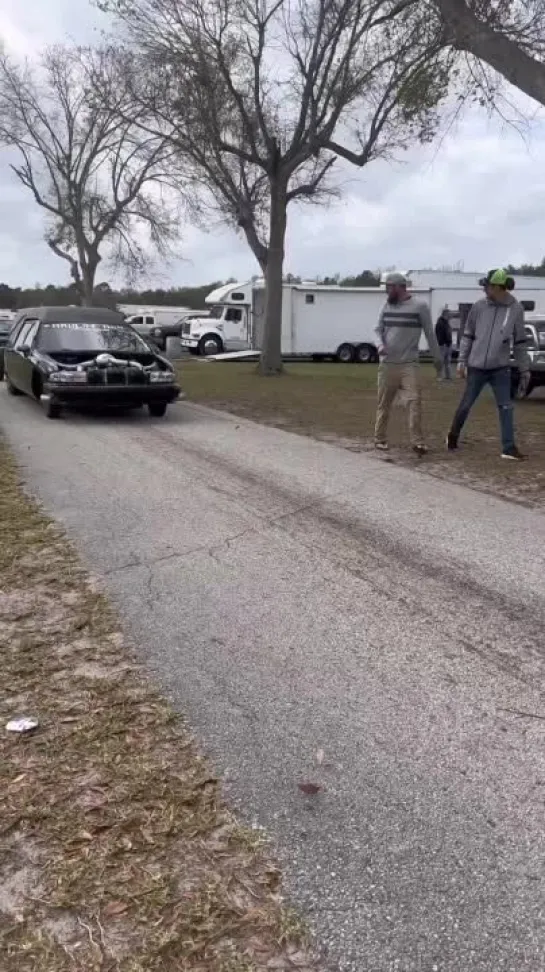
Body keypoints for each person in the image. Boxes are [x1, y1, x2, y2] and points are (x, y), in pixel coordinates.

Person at [446, 268, 531, 460]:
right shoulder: (478, 307)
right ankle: (453, 435)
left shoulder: (516, 309)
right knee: (466, 404)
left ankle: (508, 448)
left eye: (487, 286)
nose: (484, 289)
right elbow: (467, 335)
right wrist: (461, 361)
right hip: (476, 366)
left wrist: (524, 368)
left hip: (500, 367)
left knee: (506, 407)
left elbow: (519, 342)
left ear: (498, 287)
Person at [374, 272, 442, 456]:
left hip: (409, 364)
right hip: (388, 364)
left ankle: (417, 442)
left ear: (399, 287)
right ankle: (379, 438)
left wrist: (438, 359)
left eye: (389, 287)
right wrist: (380, 344)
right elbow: (377, 330)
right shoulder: (386, 305)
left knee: (414, 401)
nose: (387, 291)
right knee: (384, 403)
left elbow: (429, 333)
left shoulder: (419, 306)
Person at [435, 308, 453, 379]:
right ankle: (439, 376)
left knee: (448, 361)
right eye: (449, 314)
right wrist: (442, 343)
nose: (450, 315)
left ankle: (448, 376)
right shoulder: (440, 323)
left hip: (448, 344)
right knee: (441, 361)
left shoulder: (447, 322)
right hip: (443, 345)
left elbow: (448, 333)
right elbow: (438, 334)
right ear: (445, 314)